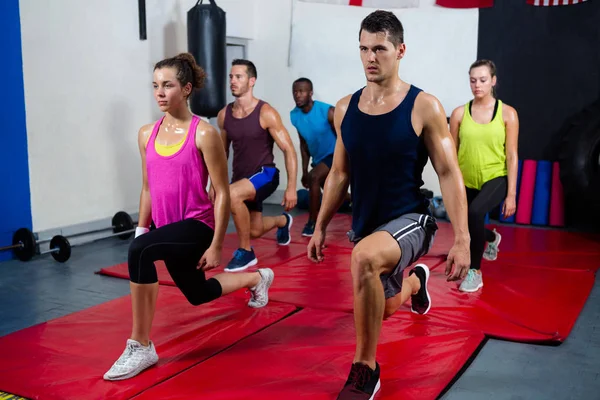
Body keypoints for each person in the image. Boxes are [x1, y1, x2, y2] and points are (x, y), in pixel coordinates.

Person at [306, 11, 471, 400]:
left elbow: (448, 172)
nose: (370, 58)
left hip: (412, 218)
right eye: (363, 48)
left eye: (379, 48)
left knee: (363, 259)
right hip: (367, 224)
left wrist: (462, 238)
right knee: (377, 309)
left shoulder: (424, 105)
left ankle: (366, 370)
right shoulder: (345, 109)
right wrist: (318, 226)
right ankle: (415, 284)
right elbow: (339, 174)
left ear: (400, 50)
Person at [103, 53, 274, 381]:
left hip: (197, 225)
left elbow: (222, 192)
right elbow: (147, 188)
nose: (160, 92)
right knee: (198, 294)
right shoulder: (145, 135)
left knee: (139, 253)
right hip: (166, 228)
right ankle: (258, 278)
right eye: (155, 86)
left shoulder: (204, 134)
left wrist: (215, 244)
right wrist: (142, 229)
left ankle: (141, 345)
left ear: (186, 88)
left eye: (168, 85)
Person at [216, 59, 298, 272]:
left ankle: (246, 252)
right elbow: (222, 152)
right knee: (253, 230)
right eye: (231, 77)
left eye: (238, 77)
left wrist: (291, 188)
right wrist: (213, 183)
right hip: (241, 179)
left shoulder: (265, 112)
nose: (233, 81)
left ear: (251, 81)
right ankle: (282, 221)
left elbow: (289, 149)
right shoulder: (224, 115)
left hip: (266, 174)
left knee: (232, 195)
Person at [449, 59, 519, 293]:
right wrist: (450, 185)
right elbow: (451, 153)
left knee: (476, 212)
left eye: (482, 80)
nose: (477, 85)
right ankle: (490, 238)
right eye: (472, 80)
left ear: (493, 81)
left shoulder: (507, 114)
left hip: (496, 176)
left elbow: (511, 155)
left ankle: (475, 273)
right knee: (466, 224)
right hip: (466, 179)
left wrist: (511, 194)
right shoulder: (459, 114)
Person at [290, 77, 337, 236]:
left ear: (310, 93)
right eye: (295, 91)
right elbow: (304, 144)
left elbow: (345, 138)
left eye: (302, 91)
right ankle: (350, 201)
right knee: (337, 196)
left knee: (314, 178)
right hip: (319, 160)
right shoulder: (295, 116)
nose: (298, 95)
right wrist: (304, 171)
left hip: (336, 155)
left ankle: (313, 223)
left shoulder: (328, 111)